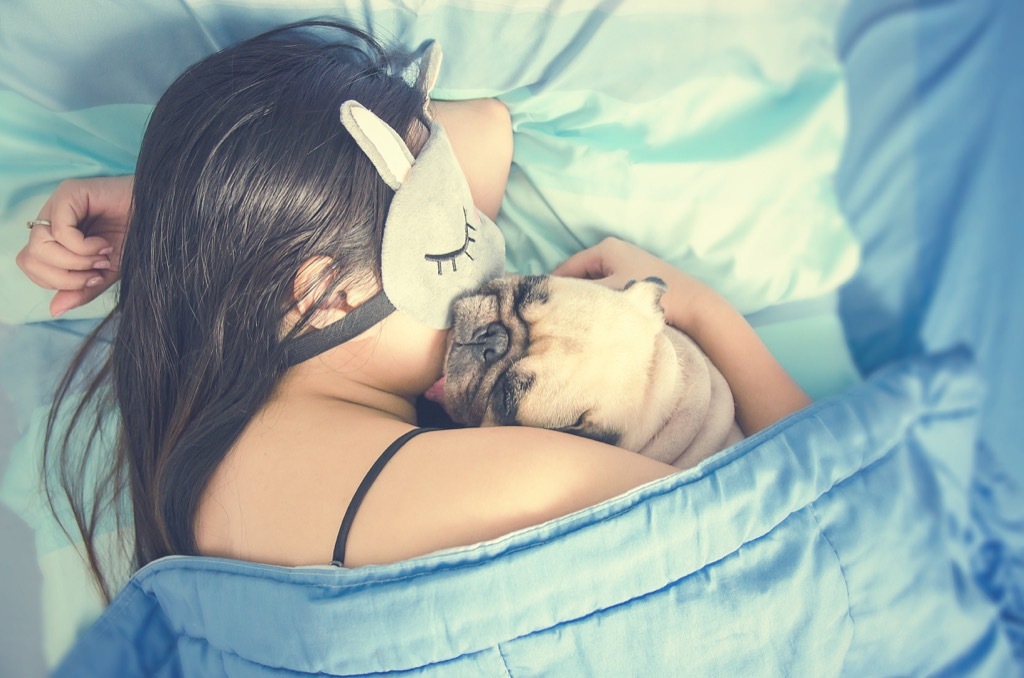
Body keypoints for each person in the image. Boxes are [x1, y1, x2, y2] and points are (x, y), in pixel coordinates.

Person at [15, 20, 810, 600]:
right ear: (323, 294)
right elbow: (816, 517)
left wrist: (192, 224)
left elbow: (484, 133)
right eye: (449, 237)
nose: (490, 264)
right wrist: (703, 312)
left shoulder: (219, 454)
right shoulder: (521, 482)